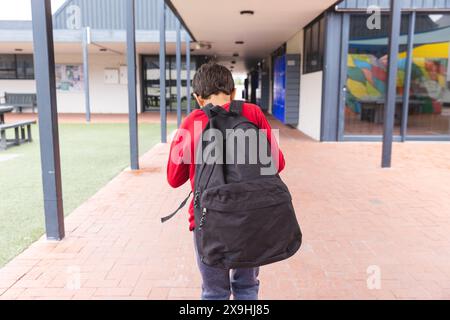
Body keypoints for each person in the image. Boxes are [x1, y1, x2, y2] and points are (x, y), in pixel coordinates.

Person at [166, 61, 285, 300]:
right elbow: (278, 164)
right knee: (247, 287)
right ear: (233, 93)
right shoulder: (253, 113)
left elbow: (174, 178)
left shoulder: (192, 121)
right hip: (251, 218)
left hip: (207, 222)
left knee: (214, 292)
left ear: (198, 98)